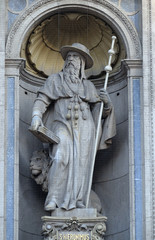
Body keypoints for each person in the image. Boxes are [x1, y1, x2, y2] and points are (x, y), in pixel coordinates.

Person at [31, 43, 116, 211]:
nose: (71, 59)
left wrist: (107, 104)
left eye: (76, 57)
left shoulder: (88, 87)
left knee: (82, 163)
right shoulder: (55, 80)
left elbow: (100, 114)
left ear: (82, 63)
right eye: (69, 56)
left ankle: (79, 199)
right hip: (62, 125)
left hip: (85, 129)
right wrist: (36, 117)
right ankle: (54, 198)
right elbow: (42, 100)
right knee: (61, 157)